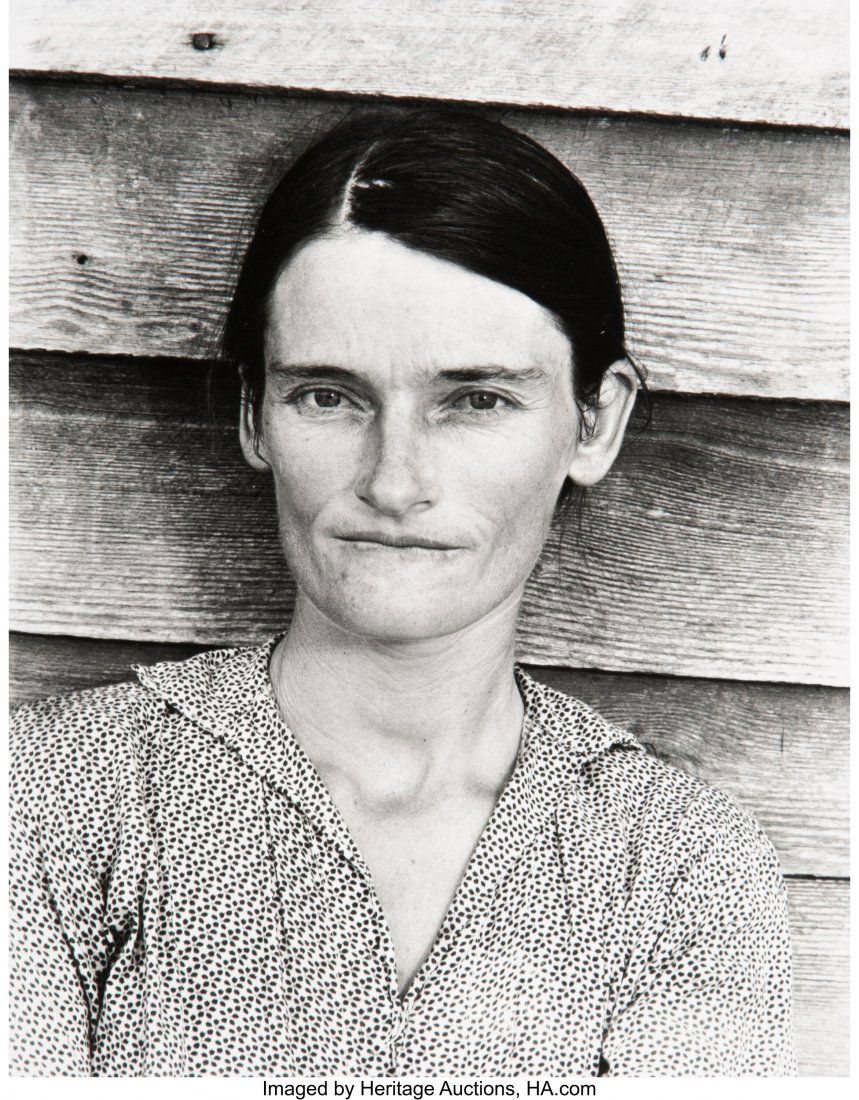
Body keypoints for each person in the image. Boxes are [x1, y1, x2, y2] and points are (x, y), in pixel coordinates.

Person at [10, 109, 796, 1077]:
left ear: (594, 423)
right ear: (256, 413)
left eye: (475, 400)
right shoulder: (55, 794)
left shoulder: (676, 861)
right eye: (329, 396)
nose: (393, 480)